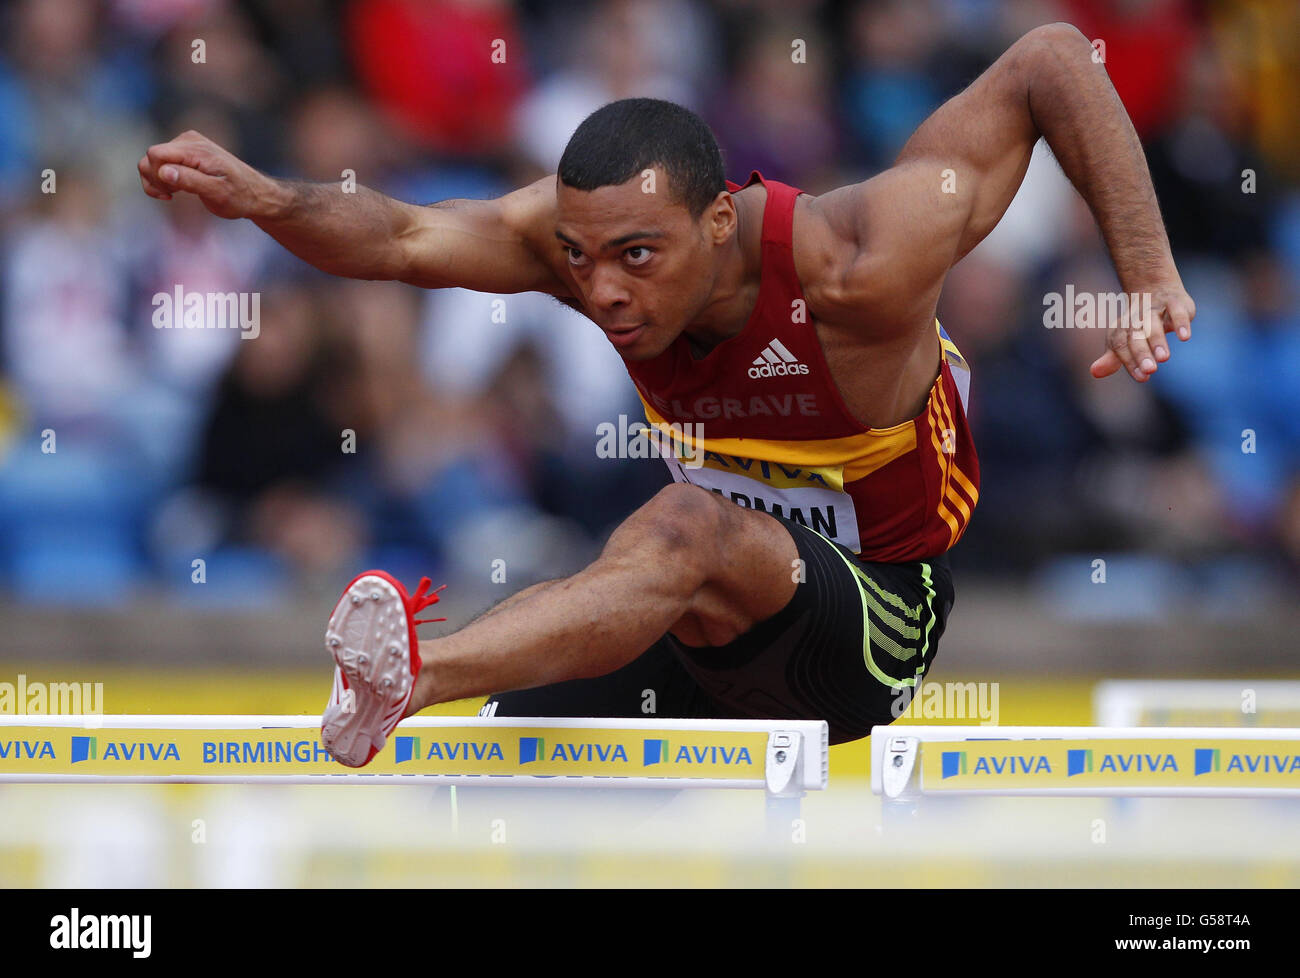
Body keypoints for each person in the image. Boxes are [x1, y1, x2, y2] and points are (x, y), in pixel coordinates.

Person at [138, 23, 1195, 767]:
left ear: (720, 223)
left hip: (874, 624)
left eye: (638, 256)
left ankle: (413, 676)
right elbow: (405, 234)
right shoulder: (585, 252)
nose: (602, 292)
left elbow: (1051, 59)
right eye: (581, 259)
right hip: (704, 623)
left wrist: (1146, 273)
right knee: (514, 751)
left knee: (686, 523)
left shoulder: (856, 262)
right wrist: (267, 198)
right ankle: (427, 702)